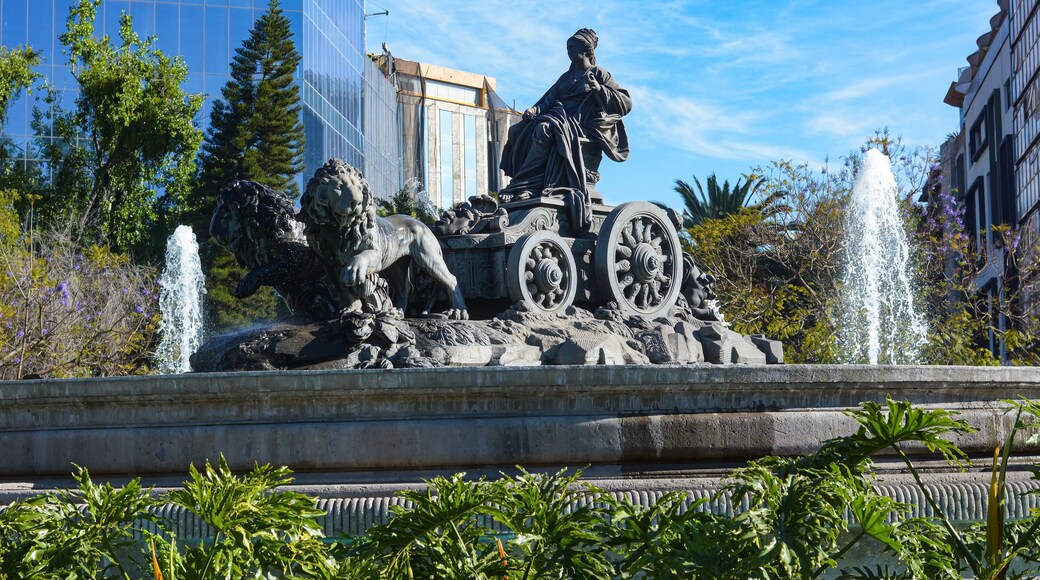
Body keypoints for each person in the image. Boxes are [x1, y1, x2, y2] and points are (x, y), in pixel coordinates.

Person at [499, 28, 632, 232]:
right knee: (517, 130)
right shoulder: (565, 77)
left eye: (572, 47)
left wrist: (599, 89)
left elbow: (626, 102)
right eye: (567, 47)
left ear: (585, 50)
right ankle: (522, 184)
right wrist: (534, 109)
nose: (568, 51)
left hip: (580, 124)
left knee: (544, 129)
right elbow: (548, 99)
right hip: (559, 117)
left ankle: (526, 185)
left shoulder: (599, 73)